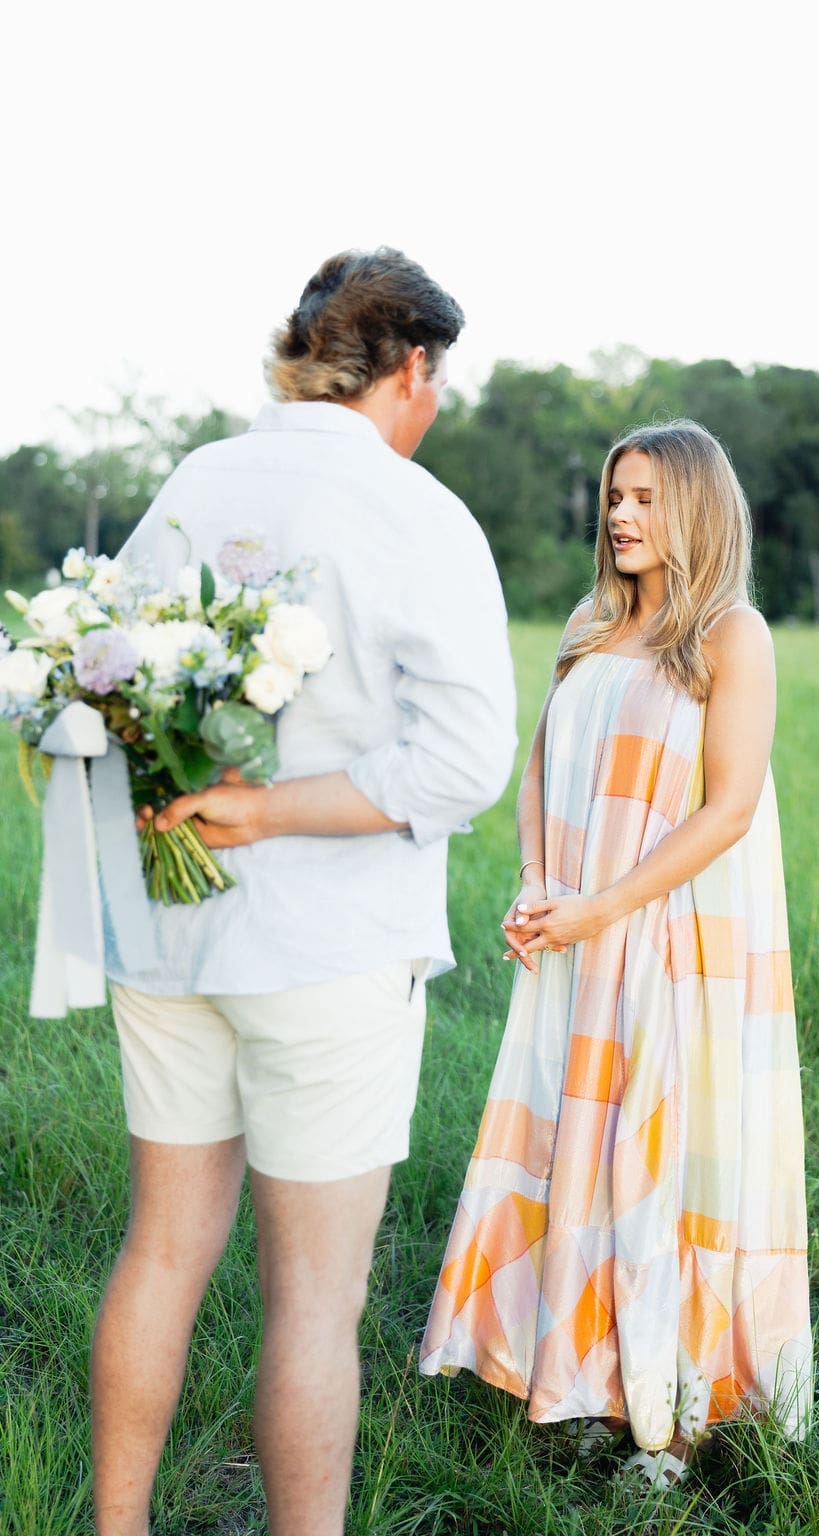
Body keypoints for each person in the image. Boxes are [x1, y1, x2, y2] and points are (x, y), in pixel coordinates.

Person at [90, 248, 517, 1536]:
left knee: (160, 1253)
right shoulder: (413, 508)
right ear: (413, 366)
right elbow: (466, 759)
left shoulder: (193, 483)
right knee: (313, 1302)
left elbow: (104, 683)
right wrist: (269, 809)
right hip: (327, 953)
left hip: (166, 940)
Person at [420, 419, 812, 1488]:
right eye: (614, 496)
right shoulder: (590, 625)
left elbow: (727, 809)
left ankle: (671, 1412)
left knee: (662, 1148)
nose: (622, 515)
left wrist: (605, 907)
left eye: (645, 497)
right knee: (574, 1152)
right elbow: (548, 777)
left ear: (695, 507)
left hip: (671, 935)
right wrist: (539, 891)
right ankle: (587, 1377)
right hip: (579, 934)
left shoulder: (731, 635)